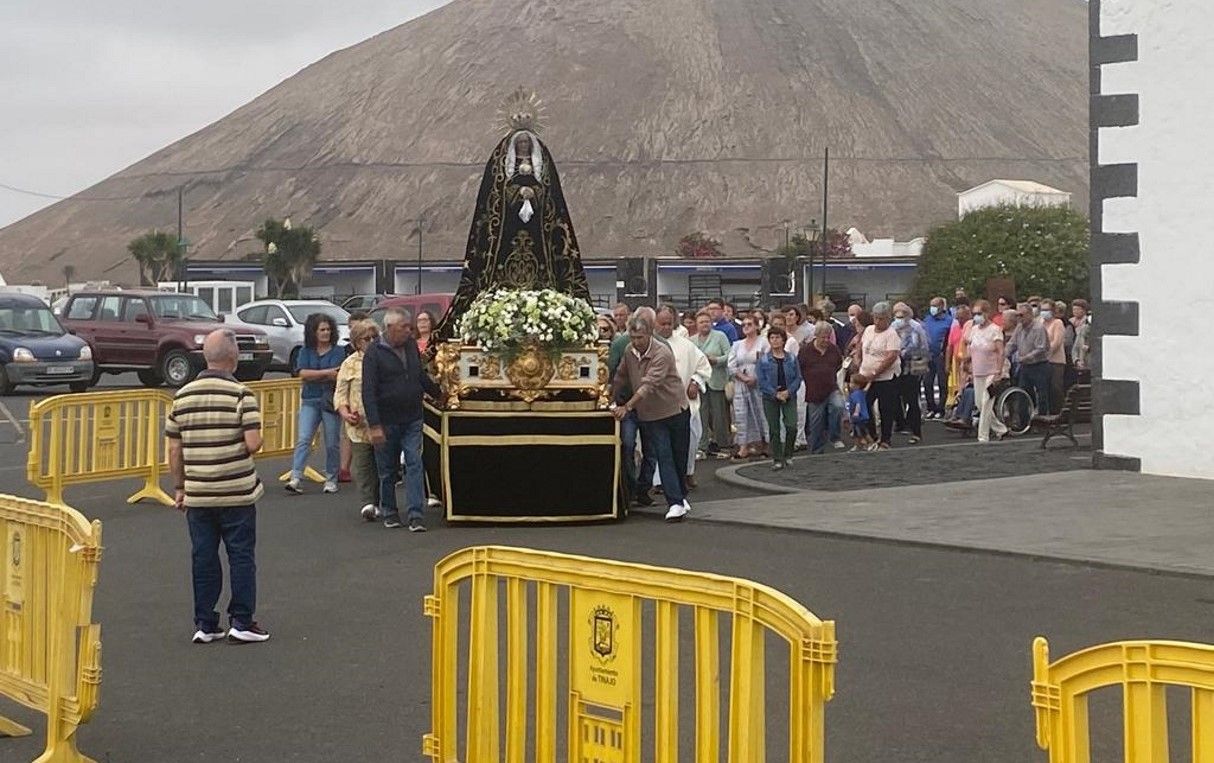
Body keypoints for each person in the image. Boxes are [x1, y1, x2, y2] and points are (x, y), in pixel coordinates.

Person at [434, 122, 590, 341]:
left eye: (526, 142)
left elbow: (552, 201)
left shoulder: (542, 166)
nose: (524, 146)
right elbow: (493, 200)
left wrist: (534, 193)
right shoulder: (501, 167)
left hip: (538, 237)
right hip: (506, 237)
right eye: (520, 143)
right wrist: (517, 193)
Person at [165, 329, 269, 644]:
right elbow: (253, 444)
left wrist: (179, 487)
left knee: (204, 557)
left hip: (198, 493)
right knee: (240, 555)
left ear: (206, 357)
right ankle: (242, 620)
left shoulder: (182, 396)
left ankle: (205, 623)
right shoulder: (241, 395)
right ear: (234, 357)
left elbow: (173, 449)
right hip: (236, 491)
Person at [362, 308, 442, 531]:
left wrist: (440, 394)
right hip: (386, 420)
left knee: (414, 463)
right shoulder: (374, 353)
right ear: (389, 328)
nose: (410, 330)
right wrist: (375, 425)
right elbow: (368, 391)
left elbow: (419, 376)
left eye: (410, 326)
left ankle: (416, 514)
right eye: (404, 327)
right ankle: (390, 511)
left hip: (412, 416)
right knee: (387, 469)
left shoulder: (410, 346)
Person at [613, 313, 692, 522]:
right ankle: (675, 503)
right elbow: (620, 376)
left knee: (678, 457)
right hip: (651, 415)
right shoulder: (629, 352)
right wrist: (608, 393)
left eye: (640, 337)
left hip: (675, 410)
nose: (636, 342)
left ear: (649, 334)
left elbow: (649, 384)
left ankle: (680, 496)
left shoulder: (662, 352)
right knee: (664, 456)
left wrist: (628, 406)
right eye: (633, 338)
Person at [286, 313, 345, 494]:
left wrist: (316, 374)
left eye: (328, 329)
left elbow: (338, 374)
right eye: (322, 330)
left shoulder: (339, 351)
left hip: (330, 402)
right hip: (310, 400)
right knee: (304, 439)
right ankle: (296, 477)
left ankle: (331, 479)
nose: (326, 333)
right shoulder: (305, 351)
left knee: (332, 442)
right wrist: (326, 373)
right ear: (314, 332)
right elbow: (302, 373)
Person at [654, 306, 711, 488]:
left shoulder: (686, 346)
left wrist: (695, 381)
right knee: (660, 444)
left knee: (690, 439)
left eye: (669, 323)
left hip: (684, 403)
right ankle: (659, 481)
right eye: (662, 323)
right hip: (657, 404)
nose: (666, 327)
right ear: (655, 323)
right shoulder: (648, 344)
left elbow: (702, 365)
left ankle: (687, 472)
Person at [334, 319, 380, 522]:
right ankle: (368, 503)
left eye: (374, 338)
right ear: (356, 342)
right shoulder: (349, 364)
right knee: (363, 466)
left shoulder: (385, 359)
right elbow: (340, 393)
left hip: (381, 422)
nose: (371, 341)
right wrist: (344, 413)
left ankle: (382, 502)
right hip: (357, 424)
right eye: (366, 339)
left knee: (383, 466)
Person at [857, 301, 902, 450]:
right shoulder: (869, 330)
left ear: (888, 318)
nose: (877, 322)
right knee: (864, 405)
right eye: (875, 318)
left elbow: (891, 357)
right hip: (865, 375)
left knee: (885, 409)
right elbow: (861, 345)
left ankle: (885, 439)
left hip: (885, 378)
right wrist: (858, 361)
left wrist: (875, 372)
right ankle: (871, 435)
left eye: (881, 318)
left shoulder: (891, 334)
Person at [756, 326, 802, 470]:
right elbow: (761, 380)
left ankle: (788, 454)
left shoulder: (792, 358)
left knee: (791, 426)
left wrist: (788, 392)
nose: (775, 341)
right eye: (772, 338)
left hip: (789, 395)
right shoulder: (764, 360)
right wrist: (774, 393)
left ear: (783, 340)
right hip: (770, 397)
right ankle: (777, 458)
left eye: (778, 338)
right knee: (774, 429)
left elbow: (798, 377)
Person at [689, 311, 732, 458]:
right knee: (701, 414)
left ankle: (722, 445)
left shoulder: (720, 336)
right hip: (699, 382)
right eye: (701, 322)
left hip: (716, 379)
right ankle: (702, 446)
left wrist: (716, 360)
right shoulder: (692, 340)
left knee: (719, 415)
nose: (705, 324)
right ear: (697, 324)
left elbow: (729, 355)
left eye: (707, 321)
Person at [799, 321, 846, 453]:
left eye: (828, 337)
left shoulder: (833, 349)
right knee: (816, 423)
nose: (826, 340)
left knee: (838, 406)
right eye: (823, 337)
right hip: (814, 391)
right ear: (816, 336)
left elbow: (838, 365)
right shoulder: (805, 351)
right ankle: (816, 450)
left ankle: (834, 435)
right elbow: (799, 368)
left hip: (831, 387)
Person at [727, 315, 770, 460]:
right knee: (741, 414)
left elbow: (768, 362)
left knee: (761, 413)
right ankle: (743, 446)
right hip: (741, 383)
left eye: (750, 324)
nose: (746, 326)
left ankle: (765, 444)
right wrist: (743, 378)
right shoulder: (737, 344)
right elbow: (731, 365)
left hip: (759, 383)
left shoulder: (764, 343)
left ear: (757, 326)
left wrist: (756, 378)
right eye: (744, 324)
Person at [966, 299, 1009, 443]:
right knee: (979, 403)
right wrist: (969, 369)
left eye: (979, 313)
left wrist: (999, 371)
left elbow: (1001, 352)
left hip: (992, 371)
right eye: (974, 314)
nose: (976, 316)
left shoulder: (995, 330)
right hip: (978, 371)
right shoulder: (973, 330)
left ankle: (983, 436)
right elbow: (971, 350)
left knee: (986, 402)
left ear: (986, 313)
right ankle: (1000, 429)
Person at [893, 302, 929, 444]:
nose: (898, 319)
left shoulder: (916, 327)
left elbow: (924, 347)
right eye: (896, 316)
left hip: (912, 367)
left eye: (901, 316)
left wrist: (909, 353)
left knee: (912, 400)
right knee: (894, 397)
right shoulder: (892, 327)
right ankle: (900, 423)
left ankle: (916, 431)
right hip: (896, 367)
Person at [1007, 301, 1051, 416]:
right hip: (1025, 366)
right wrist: (1002, 355)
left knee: (1042, 394)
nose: (1019, 318)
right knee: (1023, 393)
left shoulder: (1038, 328)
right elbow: (1012, 344)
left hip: (1039, 365)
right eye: (1017, 315)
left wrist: (1026, 357)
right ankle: (1023, 421)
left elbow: (1041, 348)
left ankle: (1042, 419)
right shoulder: (1019, 328)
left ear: (1030, 314)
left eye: (1022, 315)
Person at [922, 296, 952, 419]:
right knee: (927, 382)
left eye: (935, 306)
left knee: (942, 382)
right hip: (928, 355)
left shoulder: (948, 320)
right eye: (931, 306)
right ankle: (931, 407)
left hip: (940, 355)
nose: (932, 308)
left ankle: (941, 408)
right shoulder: (927, 319)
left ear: (941, 307)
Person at [1041, 298, 1066, 413]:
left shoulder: (1058, 323)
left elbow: (1057, 342)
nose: (1044, 312)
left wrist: (1045, 351)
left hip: (1056, 361)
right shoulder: (1040, 323)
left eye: (1046, 309)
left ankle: (1058, 412)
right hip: (1042, 361)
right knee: (1044, 388)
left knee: (1055, 388)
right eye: (1042, 309)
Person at [846, 373, 872, 452]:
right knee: (856, 432)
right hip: (858, 417)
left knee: (862, 432)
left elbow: (858, 404)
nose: (850, 384)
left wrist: (856, 412)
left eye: (851, 382)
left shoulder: (856, 394)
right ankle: (858, 445)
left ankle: (870, 443)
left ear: (857, 385)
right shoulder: (860, 393)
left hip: (859, 417)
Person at [1071, 299, 1091, 371]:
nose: (1075, 311)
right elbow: (1075, 346)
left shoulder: (1087, 323)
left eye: (1078, 309)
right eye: (1074, 309)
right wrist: (1076, 360)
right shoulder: (1071, 321)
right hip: (1078, 356)